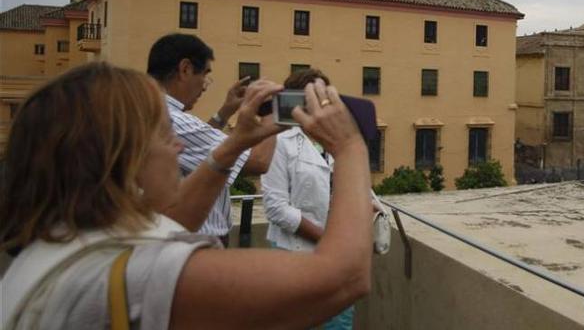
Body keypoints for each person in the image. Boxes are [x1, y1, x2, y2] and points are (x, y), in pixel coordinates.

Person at [0, 62, 372, 329]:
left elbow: (173, 218)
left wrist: (237, 143)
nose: (178, 148)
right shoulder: (129, 274)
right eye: (164, 136)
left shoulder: (67, 245)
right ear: (123, 161)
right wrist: (351, 145)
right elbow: (343, 278)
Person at [147, 34, 277, 244]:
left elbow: (197, 149)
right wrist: (271, 110)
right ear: (185, 69)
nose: (205, 86)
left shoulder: (151, 110)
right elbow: (259, 161)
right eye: (205, 74)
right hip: (197, 239)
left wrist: (224, 113)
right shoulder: (174, 120)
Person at [262, 68, 354, 329]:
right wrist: (326, 239)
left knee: (338, 323)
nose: (323, 102)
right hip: (295, 255)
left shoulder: (337, 141)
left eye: (325, 95)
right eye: (316, 95)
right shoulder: (280, 141)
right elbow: (276, 208)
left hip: (338, 256)